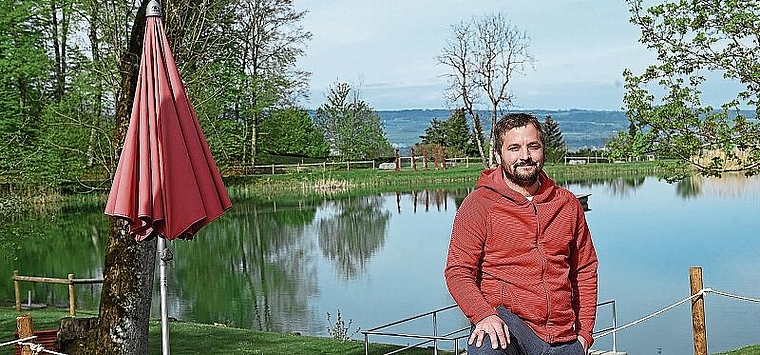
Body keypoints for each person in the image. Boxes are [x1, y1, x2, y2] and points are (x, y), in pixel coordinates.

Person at [444, 113, 598, 355]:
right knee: (484, 346)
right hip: (506, 330)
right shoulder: (479, 205)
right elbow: (458, 271)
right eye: (514, 148)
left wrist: (585, 335)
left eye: (532, 146)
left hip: (565, 339)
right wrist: (483, 315)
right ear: (498, 154)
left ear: (543, 150)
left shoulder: (567, 204)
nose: (525, 156)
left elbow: (585, 270)